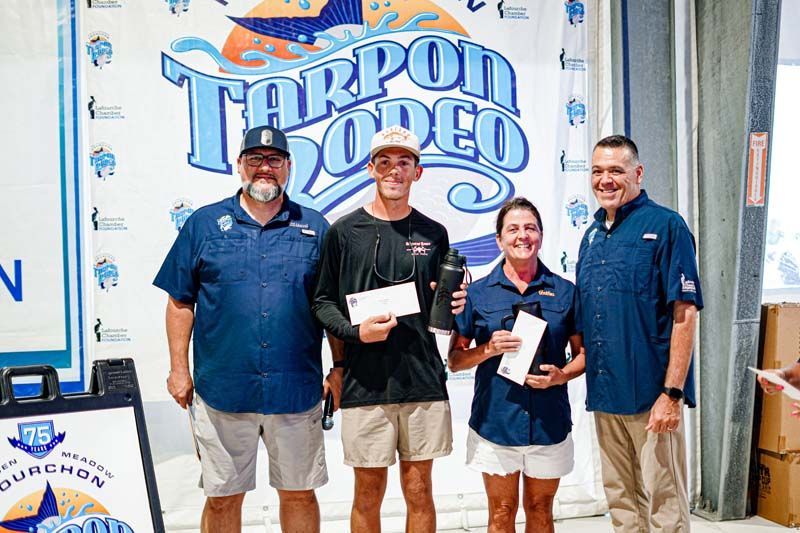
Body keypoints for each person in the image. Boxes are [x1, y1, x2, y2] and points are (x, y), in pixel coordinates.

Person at [153, 125, 341, 533]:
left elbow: (332, 309)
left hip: (295, 391)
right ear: (239, 165)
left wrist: (340, 369)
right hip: (222, 390)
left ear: (289, 167)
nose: (265, 168)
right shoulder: (204, 224)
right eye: (255, 159)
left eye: (274, 160)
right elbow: (180, 301)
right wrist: (178, 369)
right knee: (221, 499)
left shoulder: (315, 227)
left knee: (299, 494)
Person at [312, 125, 467, 532]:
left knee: (420, 490)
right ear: (370, 169)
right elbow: (323, 303)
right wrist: (354, 335)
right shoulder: (343, 232)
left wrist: (456, 300)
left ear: (418, 172)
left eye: (403, 162)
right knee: (367, 492)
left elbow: (442, 307)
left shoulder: (434, 234)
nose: (393, 171)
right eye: (384, 162)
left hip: (422, 378)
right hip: (366, 380)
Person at [576, 135, 703, 532]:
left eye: (616, 170)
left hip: (652, 396)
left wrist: (672, 394)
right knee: (621, 499)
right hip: (605, 393)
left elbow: (685, 313)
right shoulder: (591, 236)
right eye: (598, 171)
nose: (605, 180)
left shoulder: (666, 226)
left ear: (638, 173)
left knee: (664, 502)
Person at [448, 197, 585, 533]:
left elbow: (584, 356)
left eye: (530, 228)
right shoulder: (477, 294)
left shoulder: (565, 292)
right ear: (499, 240)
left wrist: (561, 376)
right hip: (496, 425)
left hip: (548, 424)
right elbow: (454, 360)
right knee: (501, 512)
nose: (522, 236)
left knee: (540, 510)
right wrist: (488, 349)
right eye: (513, 229)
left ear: (540, 235)